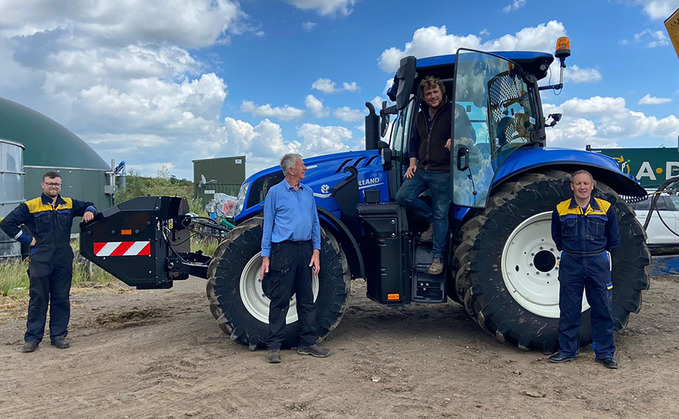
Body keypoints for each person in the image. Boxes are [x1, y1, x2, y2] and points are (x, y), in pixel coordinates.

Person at [0, 171, 96, 353]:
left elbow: (90, 205)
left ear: (60, 186)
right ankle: (32, 338)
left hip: (62, 256)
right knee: (38, 298)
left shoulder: (68, 204)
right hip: (41, 257)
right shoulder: (31, 206)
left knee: (61, 298)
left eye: (57, 184)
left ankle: (58, 336)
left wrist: (89, 211)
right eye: (50, 184)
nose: (54, 187)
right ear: (43, 185)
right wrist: (27, 240)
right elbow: (7, 223)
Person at [395, 76, 475, 275]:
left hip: (443, 171)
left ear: (442, 92)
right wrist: (412, 163)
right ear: (424, 96)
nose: (432, 96)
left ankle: (437, 258)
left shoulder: (455, 111)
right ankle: (432, 220)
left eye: (435, 92)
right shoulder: (421, 116)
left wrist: (456, 139)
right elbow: (414, 141)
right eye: (428, 93)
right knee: (403, 196)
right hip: (422, 169)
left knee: (441, 213)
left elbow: (471, 136)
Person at [259, 153, 330, 364]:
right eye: (302, 165)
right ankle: (274, 347)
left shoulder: (308, 192)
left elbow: (315, 224)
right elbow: (268, 226)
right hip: (284, 250)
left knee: (307, 299)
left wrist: (316, 251)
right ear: (291, 170)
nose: (305, 168)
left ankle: (308, 343)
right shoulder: (275, 193)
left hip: (305, 249)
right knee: (280, 299)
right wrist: (266, 256)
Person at [549, 170, 620, 369]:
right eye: (578, 183)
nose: (582, 187)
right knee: (569, 308)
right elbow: (557, 236)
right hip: (571, 262)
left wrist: (598, 253)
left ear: (592, 186)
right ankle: (566, 350)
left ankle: (605, 353)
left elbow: (613, 239)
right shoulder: (561, 209)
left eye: (585, 183)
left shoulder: (606, 208)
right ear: (572, 186)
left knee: (603, 309)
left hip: (597, 262)